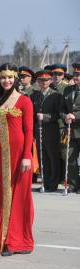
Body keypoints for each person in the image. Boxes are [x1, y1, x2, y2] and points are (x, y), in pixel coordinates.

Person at [0, 63, 34, 256]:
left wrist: (27, 156)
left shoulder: (24, 101)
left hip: (20, 154)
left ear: (15, 79)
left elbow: (29, 131)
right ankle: (2, 240)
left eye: (10, 77)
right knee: (2, 196)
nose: (6, 81)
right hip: (2, 155)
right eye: (3, 77)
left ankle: (17, 242)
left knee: (20, 196)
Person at [30, 70, 62, 192]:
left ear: (50, 81)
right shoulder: (34, 96)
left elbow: (59, 115)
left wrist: (46, 117)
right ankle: (45, 182)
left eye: (46, 80)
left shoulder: (56, 96)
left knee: (53, 158)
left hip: (51, 132)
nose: (44, 82)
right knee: (42, 158)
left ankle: (53, 184)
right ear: (37, 81)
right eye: (41, 80)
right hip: (39, 132)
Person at [60, 62, 80, 194]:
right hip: (70, 130)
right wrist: (65, 116)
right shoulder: (68, 89)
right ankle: (73, 185)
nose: (75, 76)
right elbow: (62, 108)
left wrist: (75, 115)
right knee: (70, 157)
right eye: (75, 74)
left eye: (78, 74)